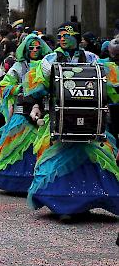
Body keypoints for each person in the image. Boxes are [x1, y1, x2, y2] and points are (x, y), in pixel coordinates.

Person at [26, 23, 119, 218]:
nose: (62, 38)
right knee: (53, 156)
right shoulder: (49, 59)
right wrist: (35, 106)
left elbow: (105, 85)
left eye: (66, 35)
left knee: (98, 153)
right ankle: (62, 203)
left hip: (90, 118)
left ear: (77, 37)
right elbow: (40, 88)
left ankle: (93, 198)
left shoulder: (92, 58)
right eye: (59, 35)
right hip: (58, 118)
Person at [0, 34, 52, 193]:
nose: (35, 50)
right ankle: (17, 182)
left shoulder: (47, 65)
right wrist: (20, 89)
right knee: (17, 147)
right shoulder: (18, 67)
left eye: (38, 47)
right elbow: (2, 87)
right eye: (31, 48)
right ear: (25, 49)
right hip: (22, 114)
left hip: (44, 113)